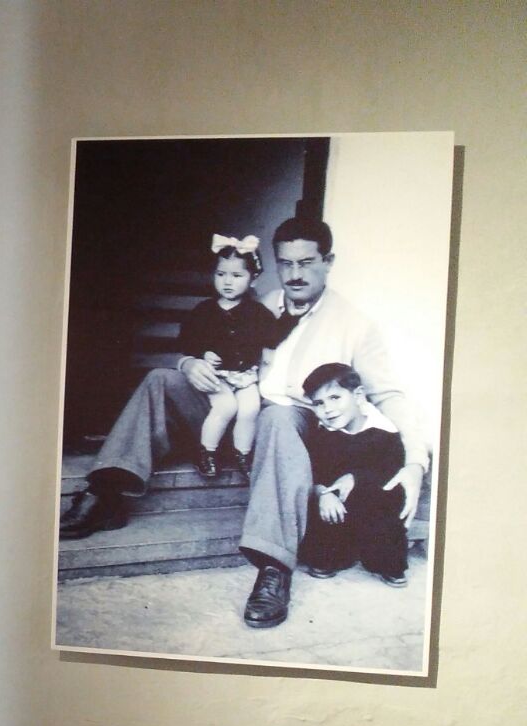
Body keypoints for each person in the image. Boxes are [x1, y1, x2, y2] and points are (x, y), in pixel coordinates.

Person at [59, 217, 426, 627]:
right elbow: (205, 341)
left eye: (306, 263)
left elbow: (388, 395)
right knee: (161, 379)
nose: (295, 274)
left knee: (278, 417)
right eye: (285, 263)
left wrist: (415, 462)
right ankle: (107, 491)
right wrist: (189, 363)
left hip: (292, 426)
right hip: (233, 410)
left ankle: (273, 567)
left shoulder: (354, 325)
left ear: (329, 262)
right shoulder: (260, 304)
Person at [298, 363, 409, 587]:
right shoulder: (323, 435)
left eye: (335, 398)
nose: (328, 409)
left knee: (386, 521)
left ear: (357, 395)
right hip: (337, 507)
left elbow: (390, 473)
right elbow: (316, 472)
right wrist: (323, 494)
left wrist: (355, 478)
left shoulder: (384, 432)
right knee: (322, 536)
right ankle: (334, 554)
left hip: (373, 504)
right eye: (319, 403)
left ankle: (384, 559)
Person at [179, 233, 277, 477]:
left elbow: (272, 338)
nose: (227, 282)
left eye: (237, 275)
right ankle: (207, 451)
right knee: (226, 406)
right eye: (221, 274)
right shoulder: (204, 311)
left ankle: (242, 453)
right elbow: (187, 341)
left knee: (250, 408)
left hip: (245, 375)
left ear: (252, 279)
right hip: (217, 376)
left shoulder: (258, 313)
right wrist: (202, 354)